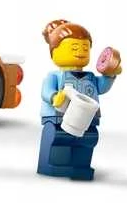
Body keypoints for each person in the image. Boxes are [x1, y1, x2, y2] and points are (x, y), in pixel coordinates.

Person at [38, 20, 120, 180]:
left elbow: (102, 87)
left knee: (87, 140)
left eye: (85, 48)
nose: (81, 52)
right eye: (74, 48)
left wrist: (110, 75)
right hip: (58, 118)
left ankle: (81, 165)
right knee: (58, 138)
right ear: (54, 52)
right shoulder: (55, 76)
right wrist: (54, 96)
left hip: (88, 119)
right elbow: (46, 91)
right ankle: (54, 164)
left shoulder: (90, 77)